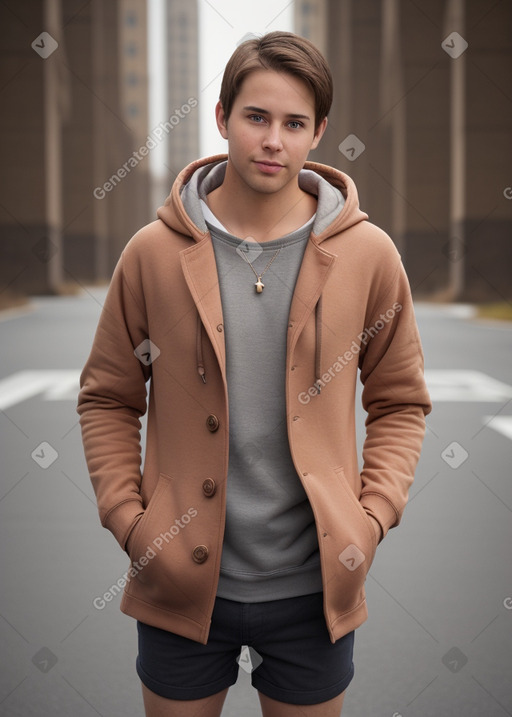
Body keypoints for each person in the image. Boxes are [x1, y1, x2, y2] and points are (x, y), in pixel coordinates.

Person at [77, 30, 432, 717]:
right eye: (257, 117)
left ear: (318, 133)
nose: (274, 139)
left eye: (295, 123)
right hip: (180, 588)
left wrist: (371, 517)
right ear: (222, 119)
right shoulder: (152, 252)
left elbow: (400, 401)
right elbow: (107, 397)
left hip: (314, 590)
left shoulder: (368, 254)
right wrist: (130, 520)